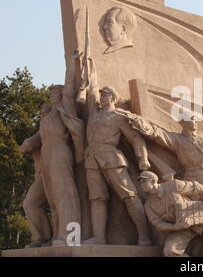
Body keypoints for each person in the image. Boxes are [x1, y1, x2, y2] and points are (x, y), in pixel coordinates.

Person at [82, 55, 151, 246]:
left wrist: (142, 158)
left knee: (129, 195)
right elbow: (91, 90)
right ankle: (99, 238)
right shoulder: (94, 114)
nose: (101, 97)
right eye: (101, 94)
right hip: (92, 159)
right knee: (97, 199)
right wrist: (89, 66)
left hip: (112, 158)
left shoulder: (119, 117)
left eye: (105, 95)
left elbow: (136, 138)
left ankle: (144, 235)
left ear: (112, 97)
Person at [20, 50, 84, 247]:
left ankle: (71, 237)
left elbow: (70, 87)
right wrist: (29, 143)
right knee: (35, 202)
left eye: (54, 91)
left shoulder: (65, 108)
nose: (51, 94)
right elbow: (40, 137)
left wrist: (72, 64)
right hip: (46, 153)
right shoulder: (47, 114)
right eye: (50, 92)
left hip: (60, 151)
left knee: (64, 194)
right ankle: (44, 238)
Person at [138, 171, 203, 257]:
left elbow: (197, 187)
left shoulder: (174, 185)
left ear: (153, 181)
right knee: (170, 251)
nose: (141, 184)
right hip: (181, 228)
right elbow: (158, 224)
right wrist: (176, 227)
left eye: (144, 181)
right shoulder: (148, 205)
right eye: (140, 183)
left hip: (198, 219)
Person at [129, 115, 203, 193]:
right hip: (193, 175)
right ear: (184, 123)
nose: (196, 122)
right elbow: (160, 135)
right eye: (192, 120)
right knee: (198, 201)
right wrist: (144, 126)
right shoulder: (177, 139)